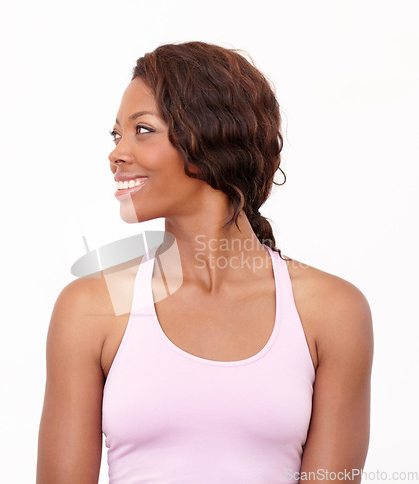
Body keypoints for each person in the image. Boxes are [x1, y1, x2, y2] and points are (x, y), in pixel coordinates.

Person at [36, 41, 373, 483]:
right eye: (117, 134)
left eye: (143, 130)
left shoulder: (332, 311)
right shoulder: (90, 307)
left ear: (211, 136)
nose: (116, 153)